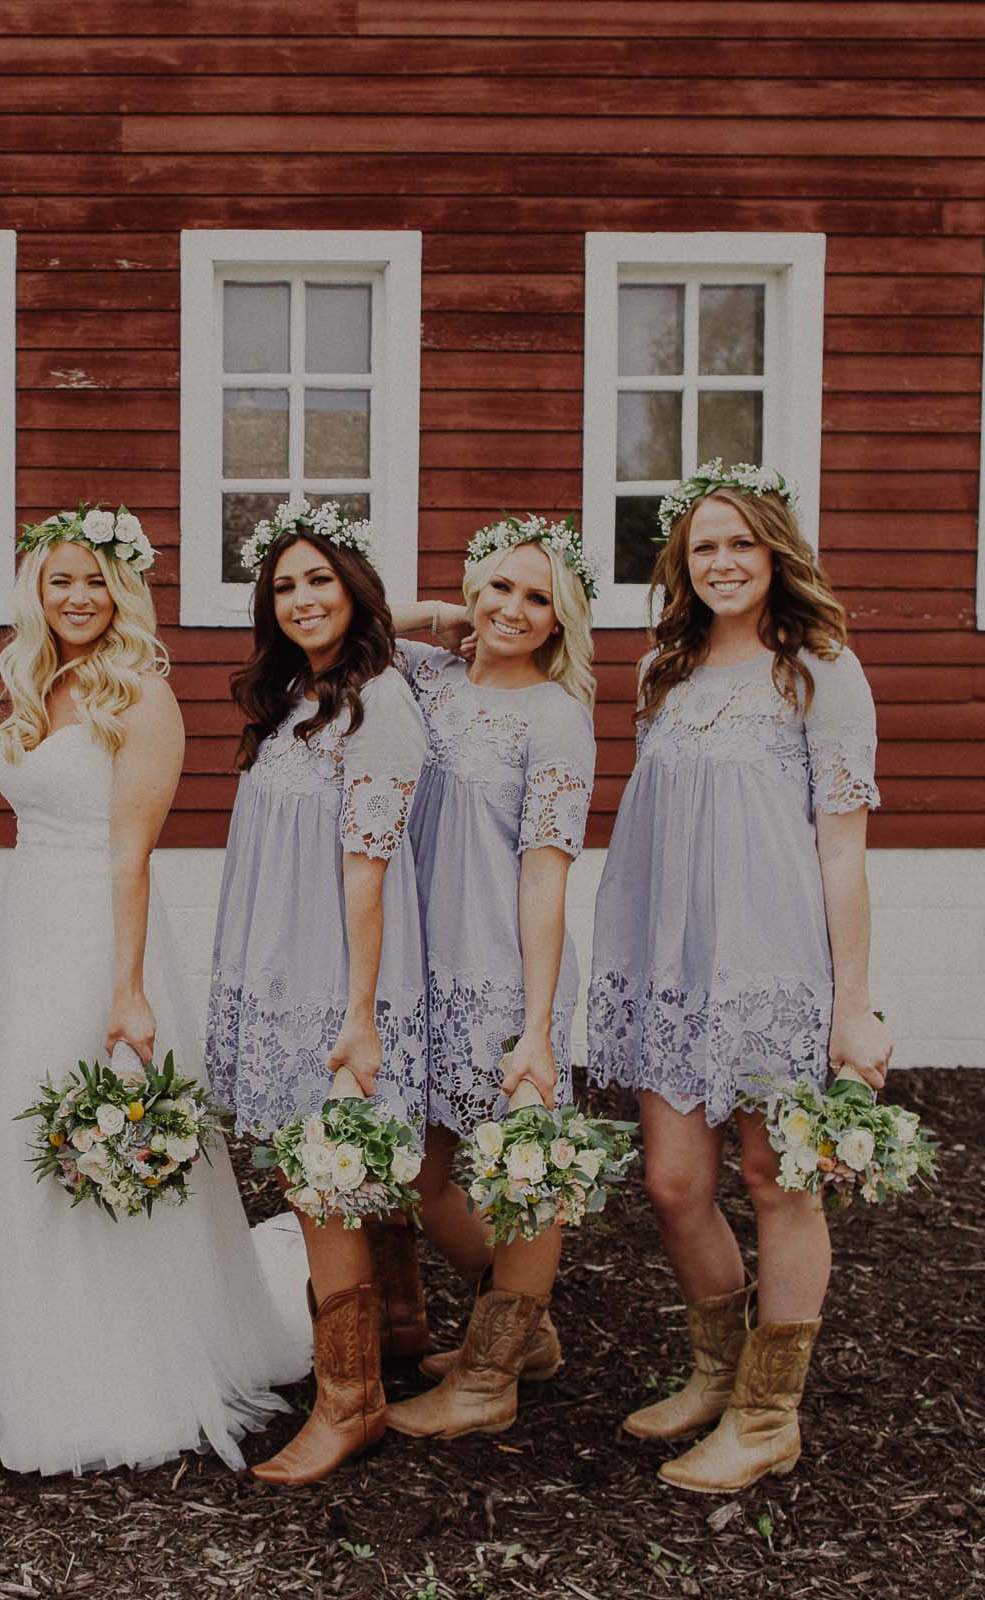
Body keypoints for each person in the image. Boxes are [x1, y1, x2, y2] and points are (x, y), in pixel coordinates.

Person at [0, 507, 307, 1475]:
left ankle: (123, 1376)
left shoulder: (144, 694)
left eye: (95, 580)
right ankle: (35, 1371)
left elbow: (132, 851)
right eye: (59, 579)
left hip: (102, 940)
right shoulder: (39, 682)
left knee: (102, 1139)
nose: (77, 597)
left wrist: (126, 990)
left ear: (125, 589)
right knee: (21, 1155)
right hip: (28, 937)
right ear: (36, 589)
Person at [585, 463, 894, 1493]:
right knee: (676, 1184)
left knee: (776, 1178)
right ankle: (717, 1370)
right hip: (670, 957)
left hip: (772, 964)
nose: (722, 562)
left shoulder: (820, 668)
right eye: (704, 546)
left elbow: (841, 850)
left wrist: (855, 1008)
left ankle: (769, 1414)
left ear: (775, 554)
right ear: (682, 561)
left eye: (741, 545)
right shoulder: (660, 671)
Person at [205, 499, 429, 1486]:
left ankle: (352, 1403)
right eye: (284, 584)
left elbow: (367, 869)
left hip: (338, 979)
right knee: (324, 1178)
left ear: (354, 590)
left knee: (323, 1183)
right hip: (279, 964)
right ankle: (394, 1339)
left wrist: (359, 1012)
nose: (301, 598)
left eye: (320, 579)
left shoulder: (380, 702)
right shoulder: (298, 697)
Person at [382, 516, 599, 1437]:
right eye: (499, 587)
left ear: (562, 621)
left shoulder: (556, 718)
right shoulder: (427, 678)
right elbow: (347, 623)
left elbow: (547, 872)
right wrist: (440, 610)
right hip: (412, 962)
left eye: (537, 597)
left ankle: (489, 1378)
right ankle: (522, 1331)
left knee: (517, 1175)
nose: (513, 608)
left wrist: (538, 1028)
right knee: (424, 1176)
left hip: (501, 975)